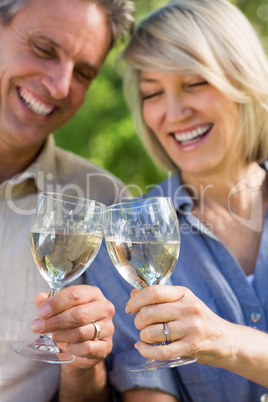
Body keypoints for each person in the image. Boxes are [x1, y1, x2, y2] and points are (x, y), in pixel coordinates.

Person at [88, 0, 268, 401]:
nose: (174, 112)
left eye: (195, 83)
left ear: (242, 79)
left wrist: (227, 342)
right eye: (153, 93)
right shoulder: (123, 244)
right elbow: (147, 390)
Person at [0, 0, 134, 401]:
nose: (59, 86)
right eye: (43, 49)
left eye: (83, 73)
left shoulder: (105, 202)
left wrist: (83, 363)